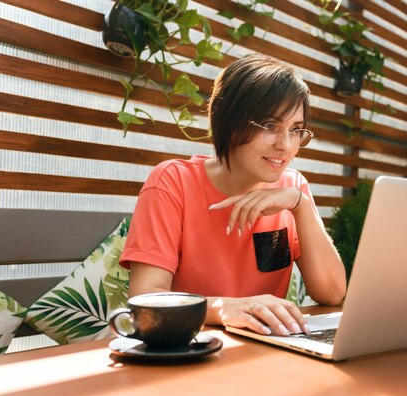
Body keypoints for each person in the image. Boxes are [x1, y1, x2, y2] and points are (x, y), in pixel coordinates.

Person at [119, 54, 347, 337]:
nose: (286, 146)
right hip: (193, 348)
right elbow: (145, 301)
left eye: (296, 130)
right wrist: (224, 308)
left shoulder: (292, 188)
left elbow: (333, 293)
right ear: (229, 120)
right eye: (270, 127)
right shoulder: (172, 182)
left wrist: (300, 206)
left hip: (267, 351)